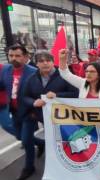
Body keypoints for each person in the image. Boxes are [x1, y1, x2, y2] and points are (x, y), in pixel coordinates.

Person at [0, 44, 40, 180]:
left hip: (29, 112)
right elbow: (1, 85)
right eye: (11, 55)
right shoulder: (5, 70)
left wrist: (35, 112)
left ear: (25, 57)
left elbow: (39, 94)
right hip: (14, 111)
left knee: (26, 141)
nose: (13, 58)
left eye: (17, 56)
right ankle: (41, 143)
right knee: (20, 137)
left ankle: (29, 167)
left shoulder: (34, 72)